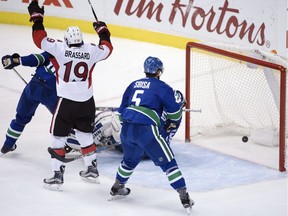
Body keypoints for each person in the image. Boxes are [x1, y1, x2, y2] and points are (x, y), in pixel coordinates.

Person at [27, 0, 113, 190]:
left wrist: (37, 17)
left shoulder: (60, 48)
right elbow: (107, 48)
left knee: (57, 138)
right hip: (86, 102)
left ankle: (57, 176)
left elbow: (39, 38)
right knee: (85, 134)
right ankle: (91, 169)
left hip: (66, 103)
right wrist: (103, 31)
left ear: (67, 40)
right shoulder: (91, 50)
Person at [108, 56, 194, 213]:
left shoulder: (133, 84)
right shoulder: (163, 87)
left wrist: (132, 126)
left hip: (127, 130)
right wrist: (166, 125)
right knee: (169, 163)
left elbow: (120, 113)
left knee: (129, 161)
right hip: (147, 130)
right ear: (159, 71)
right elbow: (175, 113)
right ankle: (185, 197)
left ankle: (117, 187)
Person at [0, 51, 58, 155]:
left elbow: (37, 59)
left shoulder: (54, 47)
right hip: (51, 91)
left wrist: (16, 60)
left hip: (34, 85)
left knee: (21, 118)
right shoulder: (78, 56)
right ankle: (75, 144)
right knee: (65, 118)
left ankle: (8, 144)